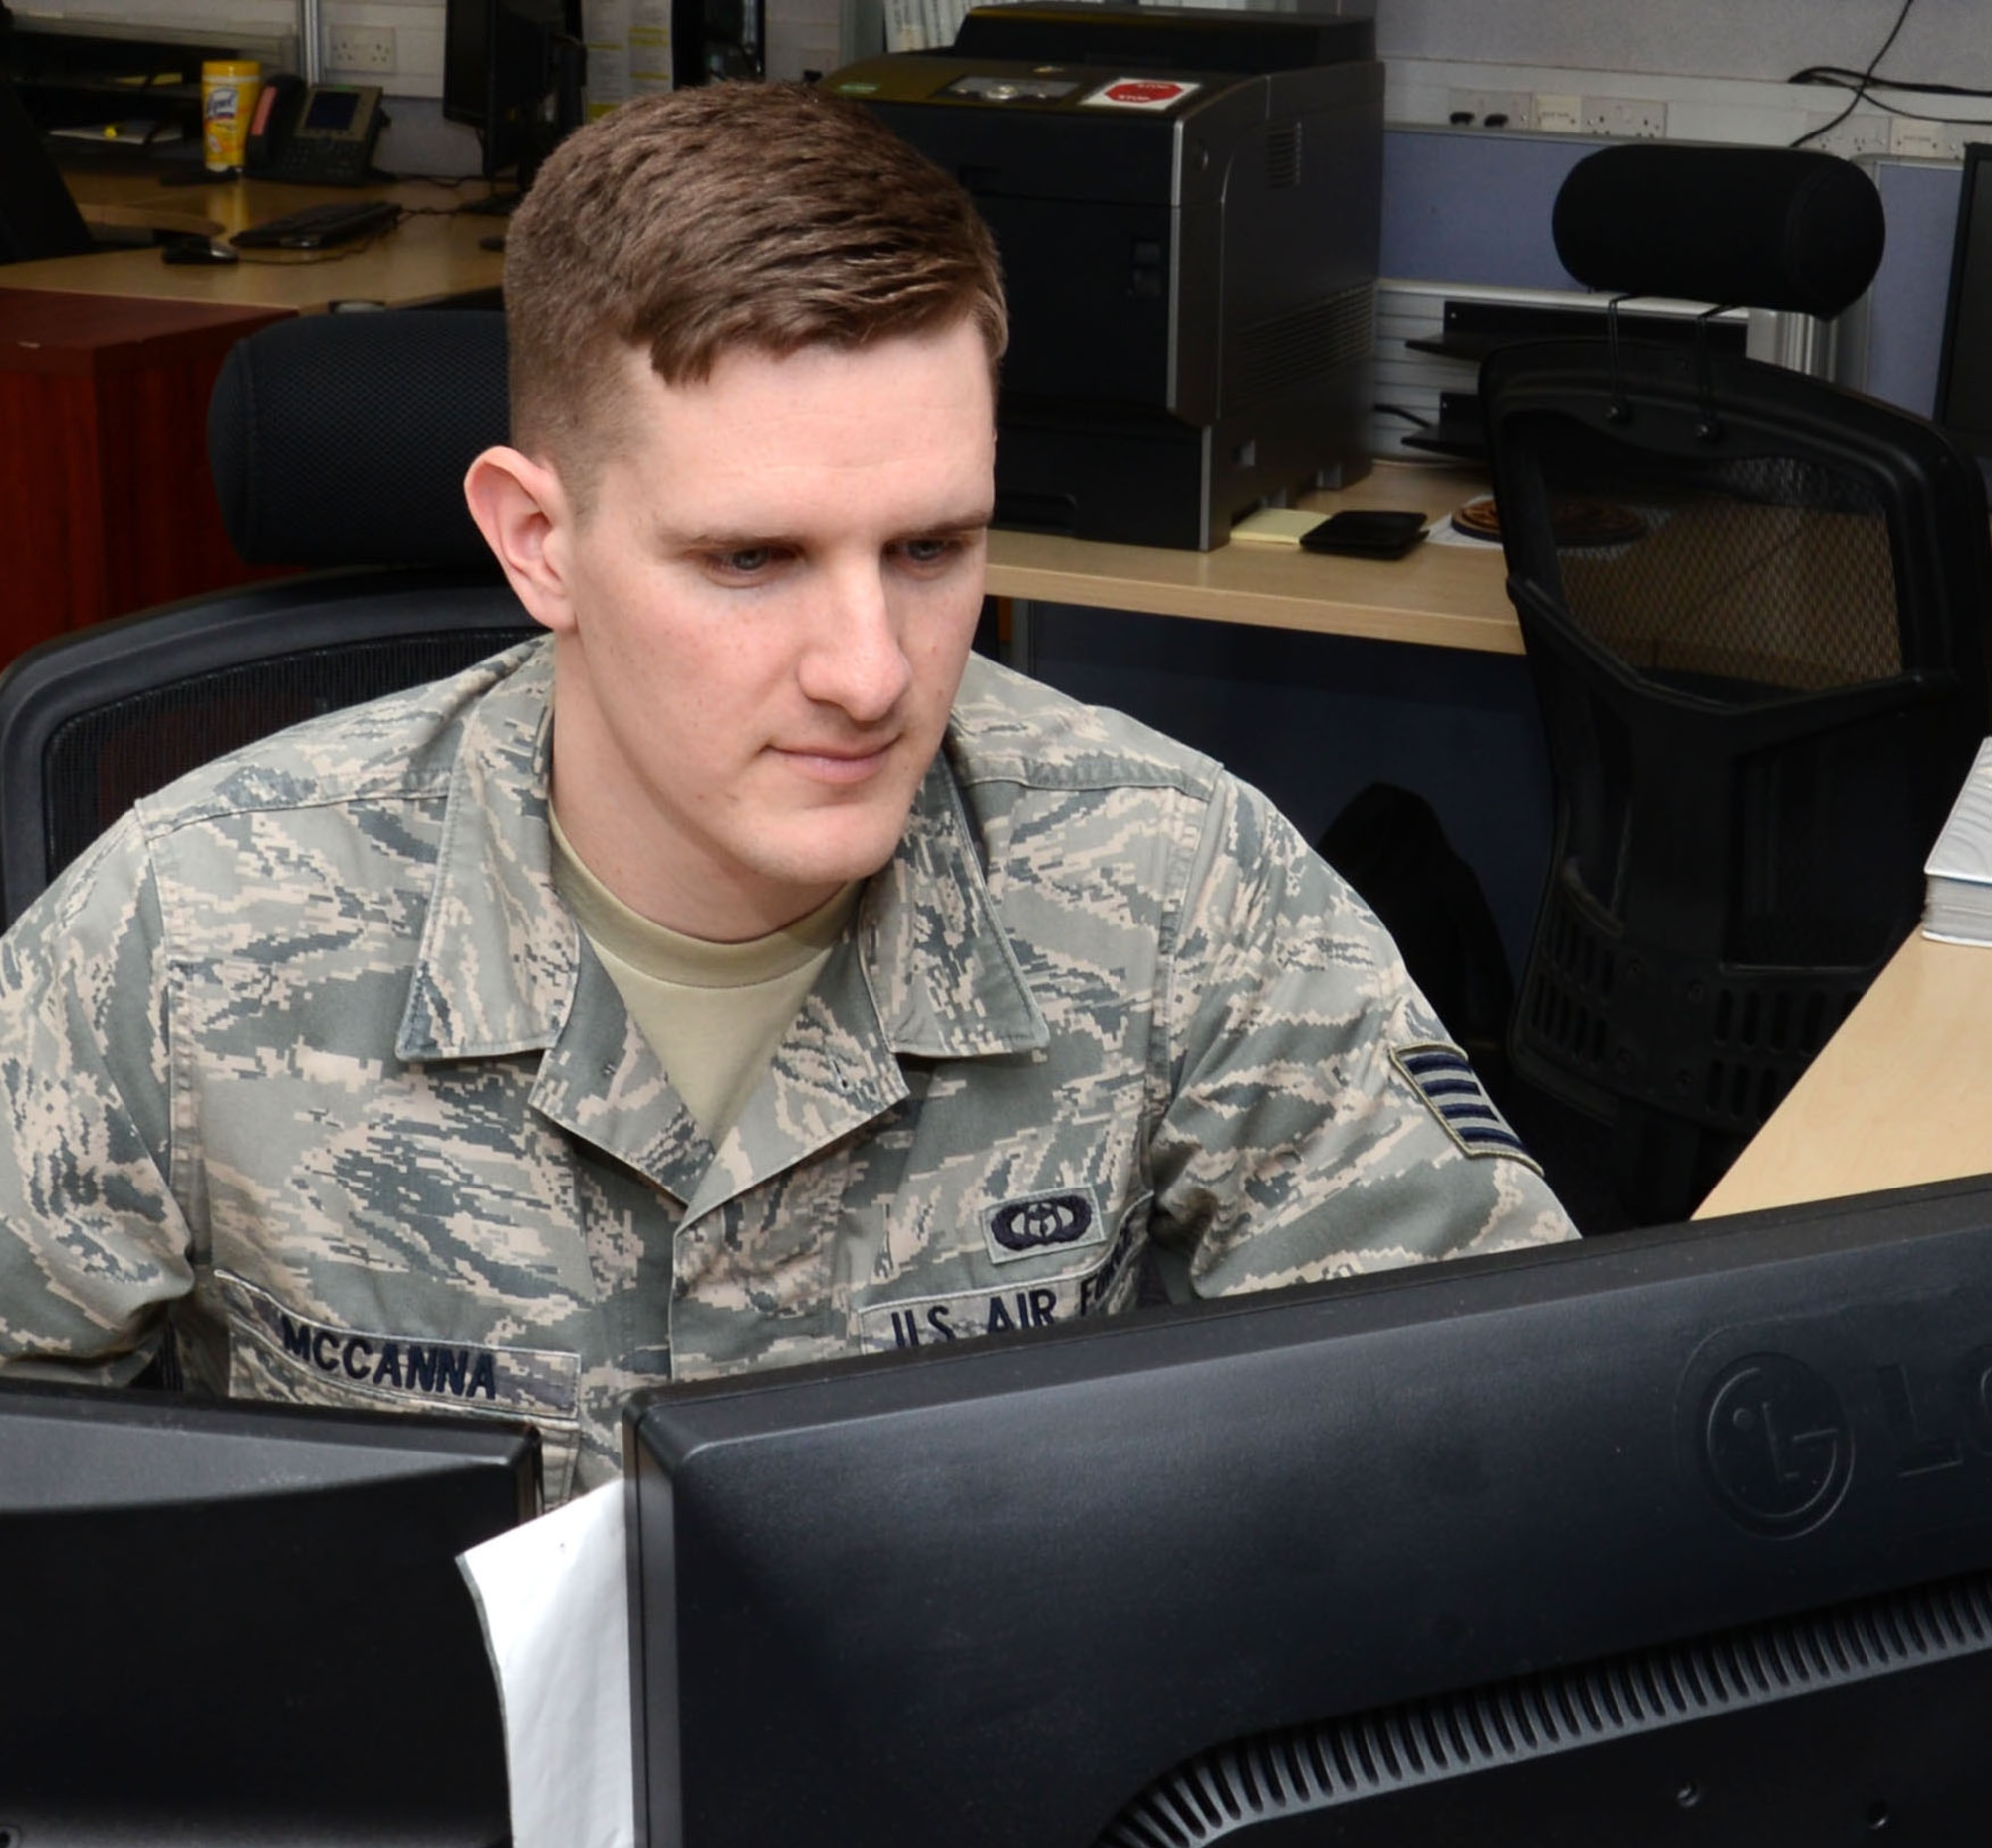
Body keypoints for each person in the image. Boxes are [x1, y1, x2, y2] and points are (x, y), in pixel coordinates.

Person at [0, 83, 1573, 1501]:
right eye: (752, 559)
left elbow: (1506, 1435)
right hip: (424, 1808)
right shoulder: (191, 924)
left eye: (931, 549)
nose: (871, 671)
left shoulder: (1174, 883)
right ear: (536, 541)